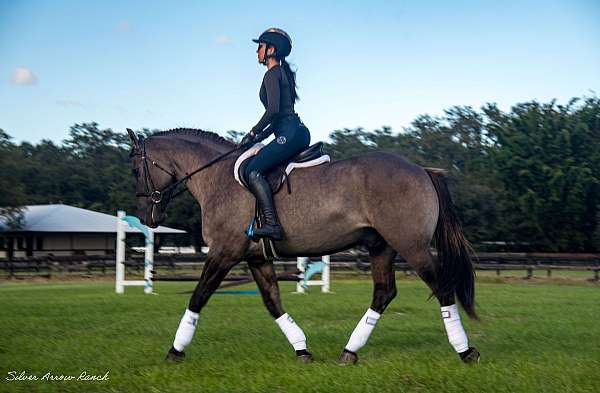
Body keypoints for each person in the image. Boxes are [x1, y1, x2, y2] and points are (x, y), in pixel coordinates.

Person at [240, 28, 311, 241]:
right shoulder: (281, 73)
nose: (257, 51)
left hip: (289, 133)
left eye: (260, 46)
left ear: (271, 49)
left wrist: (253, 132)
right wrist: (257, 138)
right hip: (294, 131)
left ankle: (272, 225)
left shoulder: (272, 73)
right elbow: (278, 117)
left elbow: (272, 111)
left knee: (252, 171)